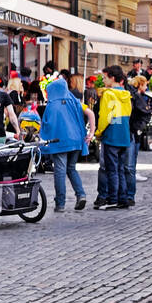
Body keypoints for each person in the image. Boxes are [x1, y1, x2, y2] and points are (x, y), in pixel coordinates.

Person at [39, 75, 94, 212]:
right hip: (76, 140)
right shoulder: (74, 101)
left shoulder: (52, 105)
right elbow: (90, 113)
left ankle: (60, 203)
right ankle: (81, 194)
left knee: (60, 172)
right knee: (71, 168)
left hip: (60, 142)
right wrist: (91, 133)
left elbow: (46, 124)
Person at [93, 65, 133, 210]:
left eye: (105, 77)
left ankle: (112, 200)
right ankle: (123, 198)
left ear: (112, 78)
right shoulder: (126, 94)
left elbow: (105, 117)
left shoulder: (108, 94)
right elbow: (128, 114)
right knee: (121, 169)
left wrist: (98, 132)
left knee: (111, 169)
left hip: (111, 135)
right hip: (124, 134)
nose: (103, 80)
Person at [128, 75, 152, 198]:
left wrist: (138, 128)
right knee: (131, 162)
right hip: (133, 132)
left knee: (130, 162)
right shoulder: (136, 96)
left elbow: (146, 114)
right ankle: (129, 195)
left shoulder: (135, 96)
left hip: (133, 131)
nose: (146, 87)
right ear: (140, 84)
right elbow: (146, 114)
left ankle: (129, 195)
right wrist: (138, 128)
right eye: (145, 85)